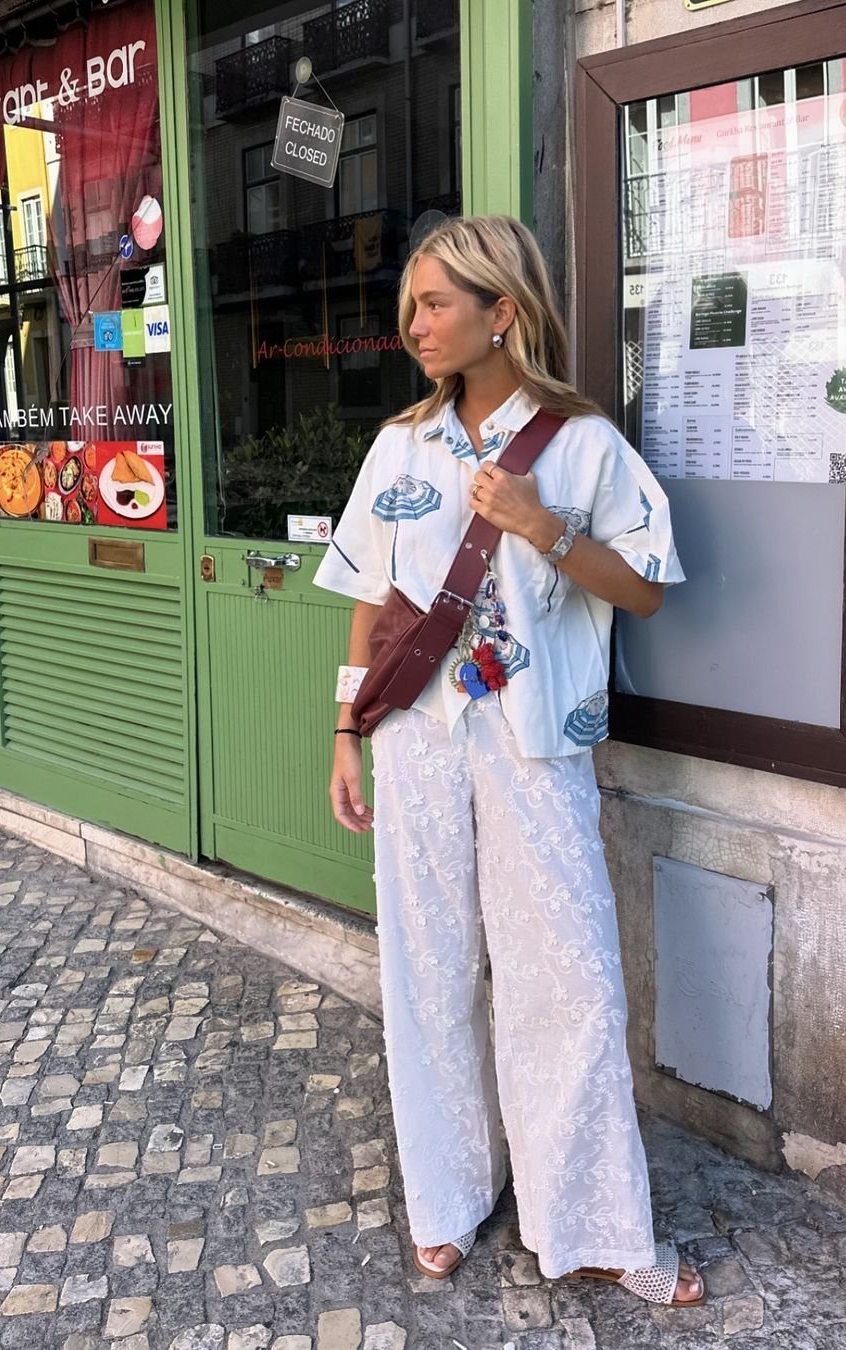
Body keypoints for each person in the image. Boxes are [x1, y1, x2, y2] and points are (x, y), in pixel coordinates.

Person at [315, 215, 701, 1308]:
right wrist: (346, 730)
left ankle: (593, 1224)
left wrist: (544, 529)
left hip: (537, 744)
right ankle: (447, 1196)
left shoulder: (582, 446)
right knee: (426, 968)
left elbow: (649, 588)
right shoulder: (400, 445)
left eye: (436, 303)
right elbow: (373, 604)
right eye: (411, 307)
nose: (416, 325)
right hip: (417, 739)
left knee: (567, 977)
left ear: (504, 312)